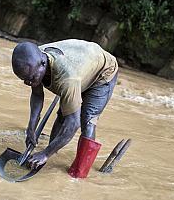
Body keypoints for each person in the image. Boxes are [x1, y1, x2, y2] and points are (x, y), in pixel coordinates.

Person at [11, 39, 118, 178]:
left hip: (102, 73)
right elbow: (37, 95)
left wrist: (44, 153)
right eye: (24, 79)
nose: (28, 83)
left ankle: (79, 173)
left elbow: (73, 124)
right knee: (63, 114)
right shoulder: (34, 60)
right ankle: (52, 153)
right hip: (82, 67)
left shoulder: (67, 78)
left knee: (87, 120)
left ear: (43, 64)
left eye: (30, 78)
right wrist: (31, 127)